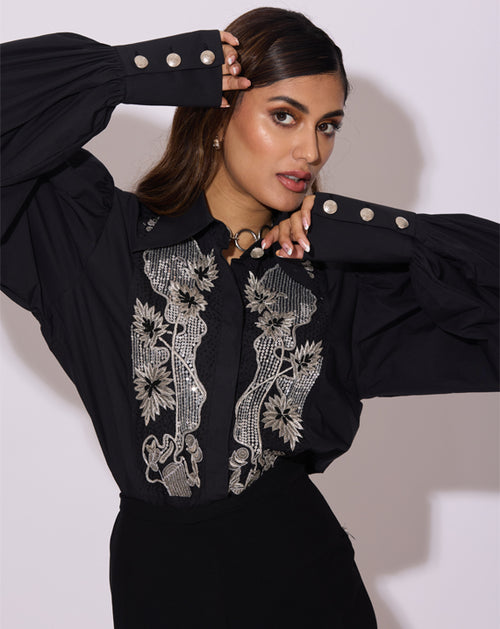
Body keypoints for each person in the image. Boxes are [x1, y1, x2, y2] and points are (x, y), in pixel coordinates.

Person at [1, 6, 498, 629]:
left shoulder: (335, 285)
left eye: (328, 126)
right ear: (218, 114)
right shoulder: (97, 239)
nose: (311, 150)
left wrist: (389, 231)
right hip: (158, 586)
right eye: (284, 116)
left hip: (304, 579)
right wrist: (135, 71)